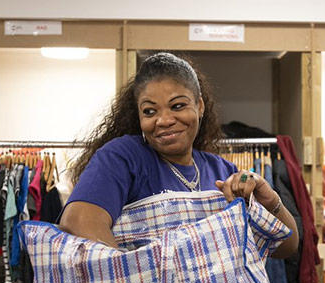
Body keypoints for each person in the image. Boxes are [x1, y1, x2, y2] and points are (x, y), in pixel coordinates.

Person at [60, 52, 299, 257]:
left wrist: (268, 201)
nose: (163, 120)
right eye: (150, 111)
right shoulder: (123, 157)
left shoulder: (222, 171)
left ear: (200, 106)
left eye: (177, 106)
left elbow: (285, 246)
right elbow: (78, 221)